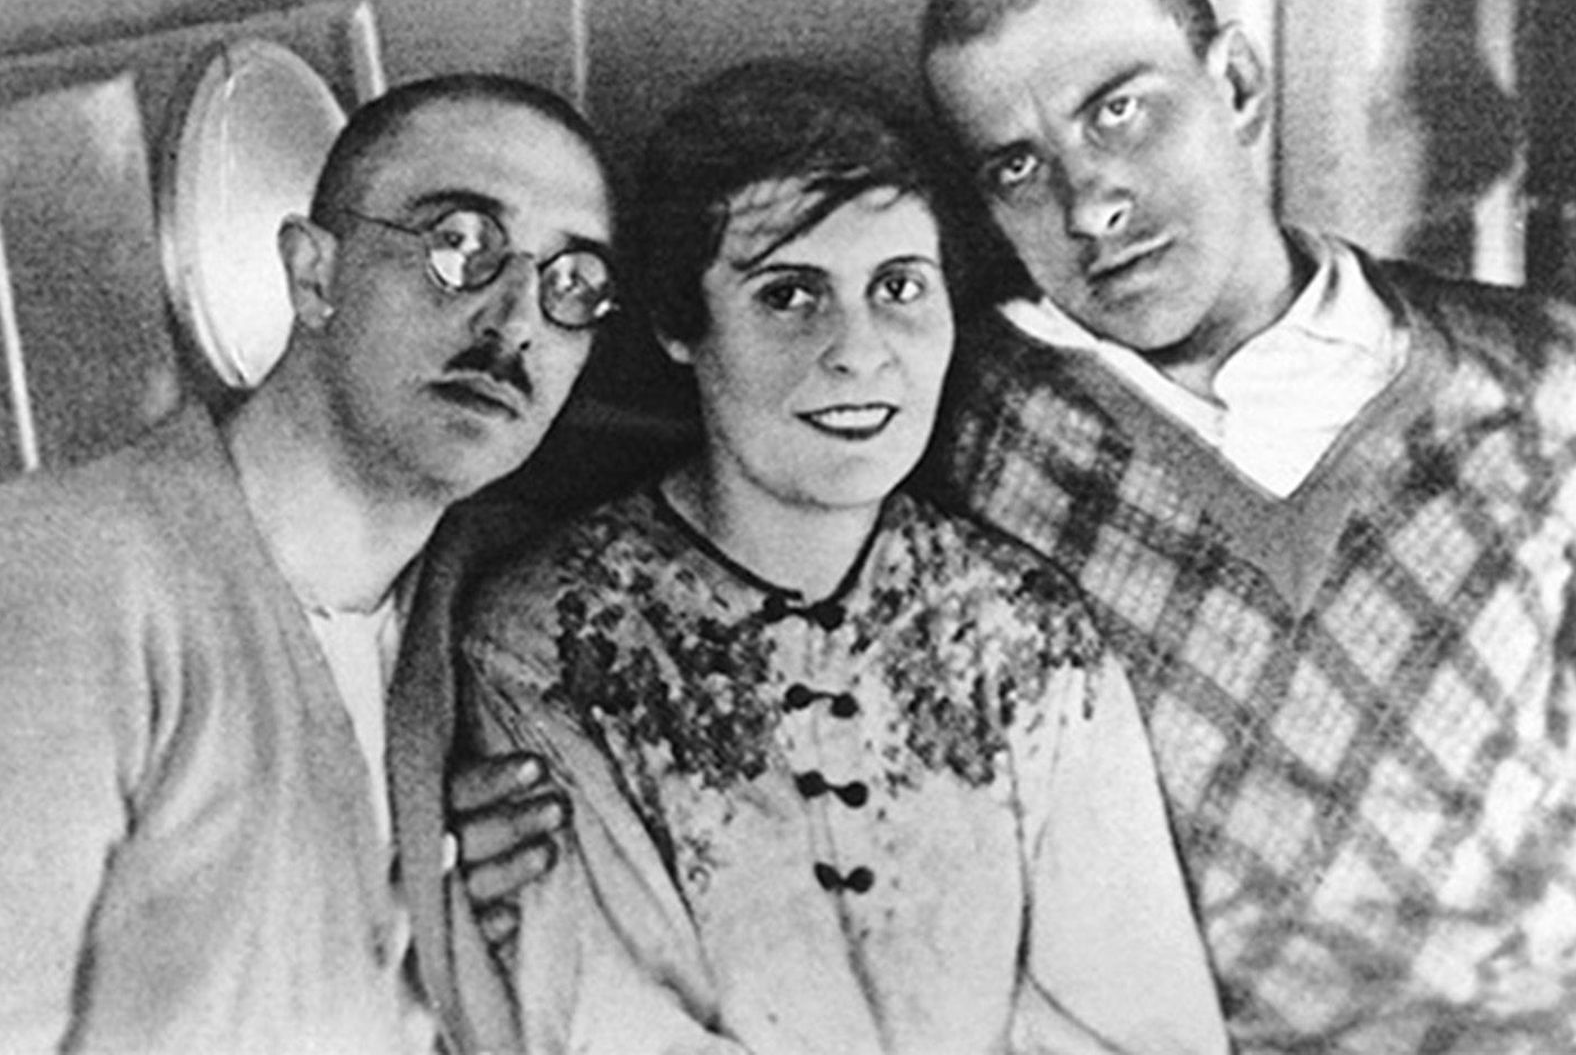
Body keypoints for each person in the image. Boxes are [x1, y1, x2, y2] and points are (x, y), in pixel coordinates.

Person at [454, 60, 1228, 1054]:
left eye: (899, 288)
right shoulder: (546, 641)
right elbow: (604, 1026)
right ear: (678, 325)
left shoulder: (1024, 632)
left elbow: (1142, 1027)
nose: (858, 350)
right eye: (789, 295)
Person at [919, 0, 1576, 1053]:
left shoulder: (1539, 378)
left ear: (1235, 86)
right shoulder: (948, 431)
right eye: (1018, 166)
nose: (1088, 204)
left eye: (1118, 110)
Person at [0, 73, 611, 1054]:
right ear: (314, 275)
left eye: (573, 285)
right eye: (459, 246)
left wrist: (431, 895)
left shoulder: (481, 611)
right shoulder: (77, 566)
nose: (516, 321)